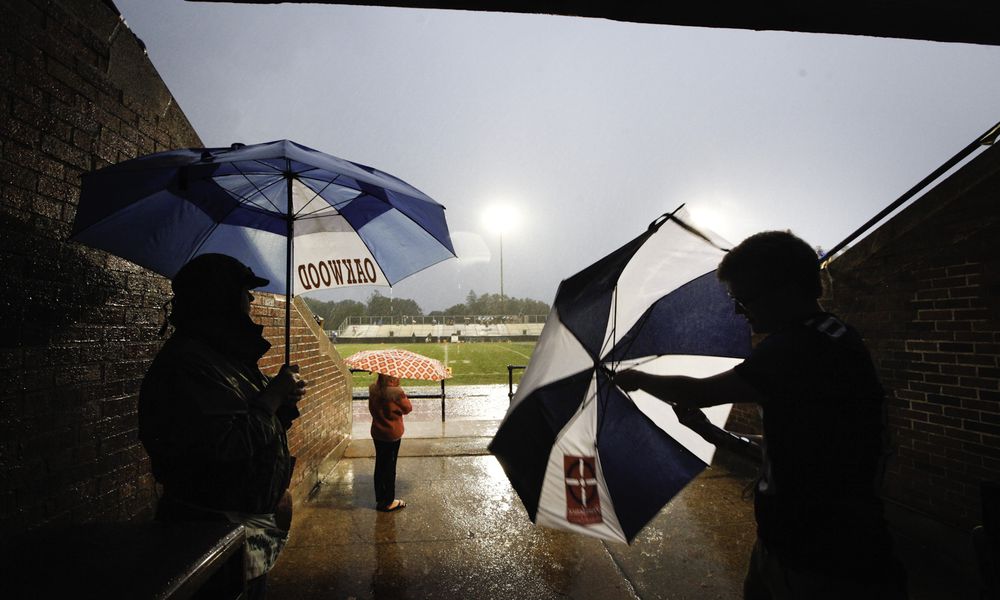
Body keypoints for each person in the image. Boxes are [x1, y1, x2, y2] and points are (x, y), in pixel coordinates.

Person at [616, 231, 907, 600]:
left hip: (824, 563)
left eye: (744, 298)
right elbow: (789, 451)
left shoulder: (798, 347)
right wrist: (713, 434)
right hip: (790, 549)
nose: (739, 310)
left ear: (783, 289)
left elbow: (699, 393)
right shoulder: (829, 336)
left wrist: (639, 378)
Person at [139, 253, 307, 599]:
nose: (252, 299)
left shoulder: (221, 357)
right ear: (222, 297)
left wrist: (282, 405)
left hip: (247, 528)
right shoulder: (188, 363)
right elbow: (224, 445)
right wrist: (272, 397)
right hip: (214, 532)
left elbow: (253, 425)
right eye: (246, 291)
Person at [368, 373, 412, 512]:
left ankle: (380, 498)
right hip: (391, 434)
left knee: (380, 465)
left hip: (377, 432)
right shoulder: (397, 393)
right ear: (391, 378)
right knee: (389, 467)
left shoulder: (374, 390)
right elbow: (408, 408)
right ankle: (388, 502)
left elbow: (372, 409)